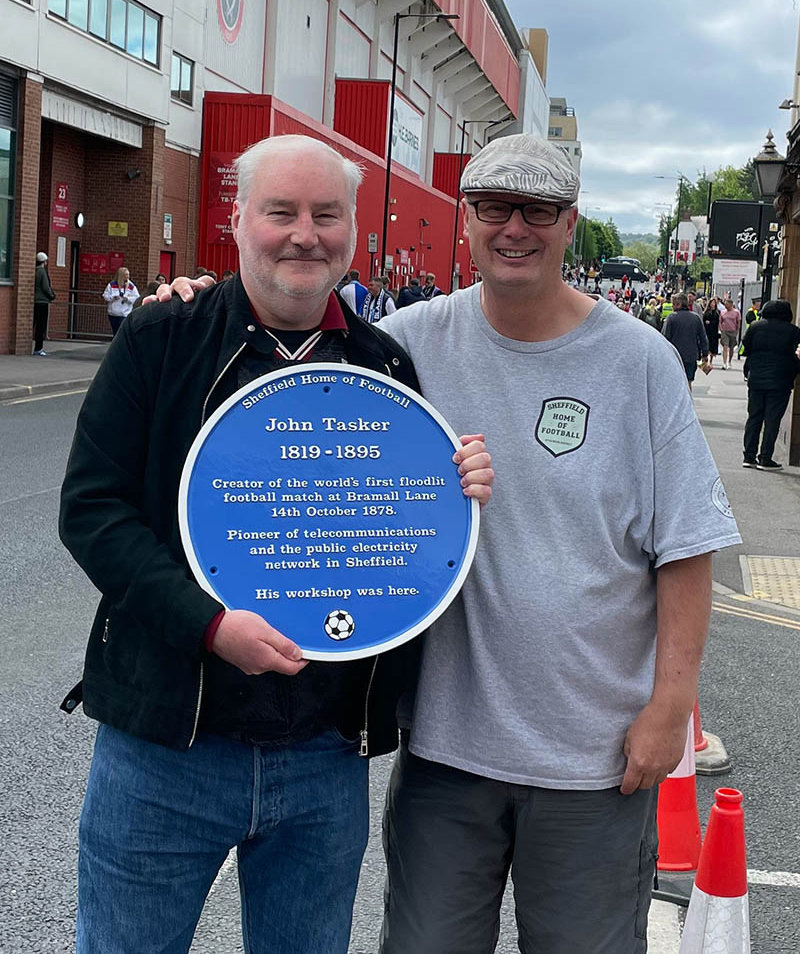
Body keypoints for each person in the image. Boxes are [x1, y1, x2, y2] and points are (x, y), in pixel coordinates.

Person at [156, 134, 742, 954]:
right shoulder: (403, 344)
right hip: (445, 751)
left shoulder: (638, 363)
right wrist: (193, 303)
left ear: (570, 224)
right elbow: (287, 385)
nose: (515, 229)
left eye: (538, 211)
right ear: (466, 220)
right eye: (495, 208)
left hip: (595, 758)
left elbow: (686, 545)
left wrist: (671, 707)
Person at [59, 133, 494, 954]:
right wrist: (208, 624)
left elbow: (399, 530)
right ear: (237, 219)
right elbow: (92, 511)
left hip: (323, 762)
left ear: (354, 230)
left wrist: (455, 489)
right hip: (166, 752)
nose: (305, 234)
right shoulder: (162, 339)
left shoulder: (386, 369)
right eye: (280, 212)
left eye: (327, 214)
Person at [740, 298, 800, 470]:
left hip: (756, 379)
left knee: (754, 417)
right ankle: (765, 458)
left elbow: (746, 346)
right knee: (772, 420)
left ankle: (749, 456)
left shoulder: (755, 327)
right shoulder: (793, 331)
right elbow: (797, 355)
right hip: (780, 380)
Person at [662, 292, 709, 391]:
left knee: (674, 382)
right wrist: (705, 354)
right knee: (688, 382)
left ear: (679, 304)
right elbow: (703, 337)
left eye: (674, 304)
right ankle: (688, 403)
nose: (673, 306)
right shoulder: (696, 318)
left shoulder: (671, 318)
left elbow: (665, 338)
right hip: (691, 355)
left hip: (674, 356)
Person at [102, 266, 139, 336]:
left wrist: (128, 299)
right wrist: (112, 298)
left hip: (124, 313)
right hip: (113, 312)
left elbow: (137, 297)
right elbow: (105, 295)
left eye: (128, 274)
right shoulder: (112, 285)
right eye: (126, 274)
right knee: (115, 332)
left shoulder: (131, 286)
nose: (128, 276)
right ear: (121, 275)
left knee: (120, 332)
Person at [33, 251, 56, 355]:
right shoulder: (42, 272)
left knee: (34, 324)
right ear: (44, 261)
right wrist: (52, 296)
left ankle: (36, 348)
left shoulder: (35, 271)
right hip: (42, 301)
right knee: (41, 326)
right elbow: (46, 287)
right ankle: (38, 348)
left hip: (35, 301)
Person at [718, 296, 741, 369]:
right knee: (725, 346)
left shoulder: (736, 312)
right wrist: (721, 329)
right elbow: (720, 321)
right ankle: (724, 363)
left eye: (727, 304)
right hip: (725, 331)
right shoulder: (723, 312)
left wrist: (737, 330)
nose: (725, 305)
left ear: (731, 305)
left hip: (733, 331)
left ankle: (729, 361)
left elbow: (738, 322)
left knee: (731, 347)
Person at [703, 297, 720, 366]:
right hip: (707, 330)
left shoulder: (717, 312)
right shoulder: (706, 311)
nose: (713, 304)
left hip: (714, 331)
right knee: (707, 345)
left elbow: (718, 321)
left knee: (713, 346)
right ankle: (705, 361)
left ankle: (711, 360)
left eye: (714, 303)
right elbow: (703, 319)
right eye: (712, 303)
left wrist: (711, 323)